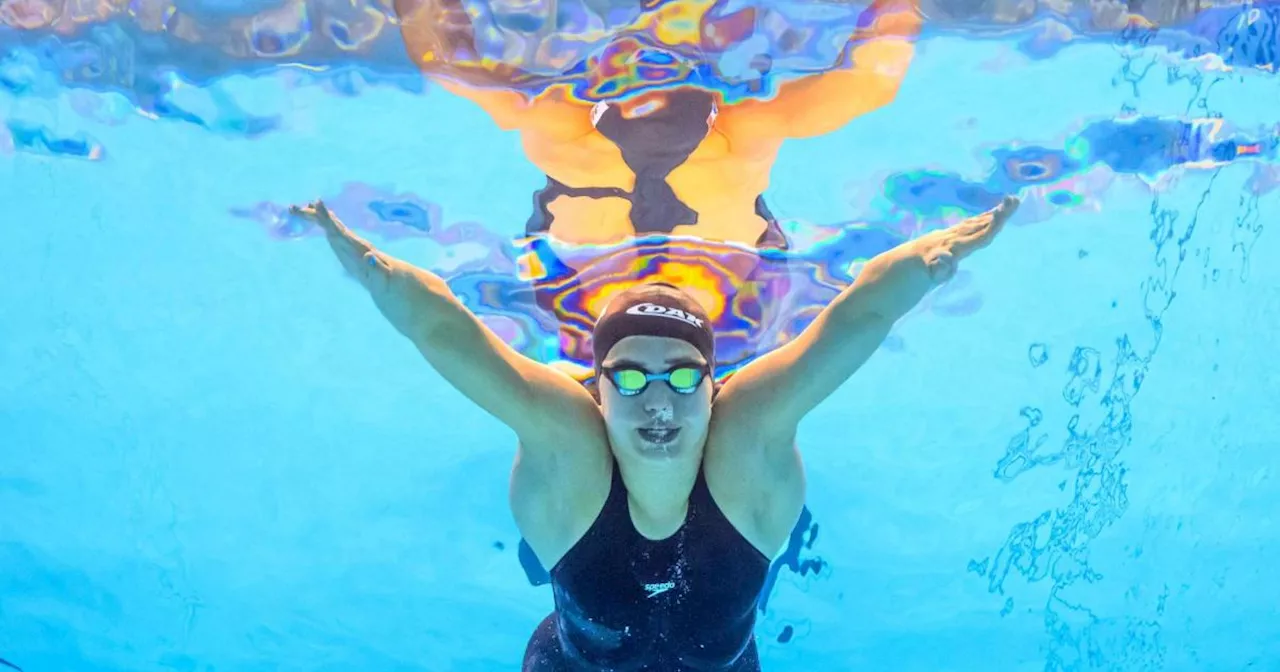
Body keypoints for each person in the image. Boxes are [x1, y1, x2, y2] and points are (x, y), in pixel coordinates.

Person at [289, 193, 1020, 670]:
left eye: (679, 375)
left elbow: (858, 316)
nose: (658, 402)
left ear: (713, 385)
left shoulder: (746, 453)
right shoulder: (568, 453)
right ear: (597, 389)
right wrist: (374, 270)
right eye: (631, 377)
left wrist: (929, 265)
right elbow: (449, 335)